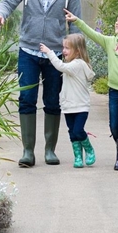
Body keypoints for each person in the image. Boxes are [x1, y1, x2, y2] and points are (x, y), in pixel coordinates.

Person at [0, 0, 82, 167]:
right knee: (27, 100)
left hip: (55, 54)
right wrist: (0, 15)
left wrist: (75, 54)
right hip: (28, 51)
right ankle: (28, 152)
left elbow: (76, 24)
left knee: (52, 101)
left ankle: (50, 150)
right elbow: (8, 1)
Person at [64, 7, 118, 171]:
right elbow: (93, 34)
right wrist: (78, 21)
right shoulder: (111, 42)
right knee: (113, 125)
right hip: (115, 90)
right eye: (117, 20)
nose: (117, 23)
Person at [39, 35, 95, 168]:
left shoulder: (78, 64)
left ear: (77, 51)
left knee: (78, 130)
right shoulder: (72, 65)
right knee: (72, 131)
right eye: (63, 47)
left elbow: (60, 66)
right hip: (69, 106)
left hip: (80, 106)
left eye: (67, 48)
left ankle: (89, 149)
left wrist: (49, 52)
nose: (64, 51)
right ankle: (78, 156)